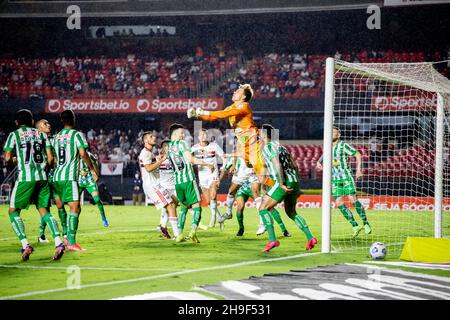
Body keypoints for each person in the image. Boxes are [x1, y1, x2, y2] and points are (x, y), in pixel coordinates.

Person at [3, 109, 65, 261]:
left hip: (25, 178)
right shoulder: (41, 135)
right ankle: (58, 243)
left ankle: (25, 245)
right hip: (42, 178)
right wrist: (44, 169)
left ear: (17, 123)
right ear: (32, 121)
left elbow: (7, 157)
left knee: (13, 211)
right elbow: (50, 158)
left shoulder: (14, 134)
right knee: (44, 211)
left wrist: (14, 163)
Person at [187, 84, 272, 190]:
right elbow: (214, 117)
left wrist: (204, 111)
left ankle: (278, 187)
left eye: (238, 91)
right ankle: (275, 184)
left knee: (262, 178)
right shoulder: (230, 107)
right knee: (253, 169)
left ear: (243, 97)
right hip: (244, 146)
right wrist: (197, 115)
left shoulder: (244, 106)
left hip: (253, 144)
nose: (234, 92)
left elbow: (225, 114)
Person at [258, 124, 317, 252]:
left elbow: (277, 165)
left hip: (282, 182)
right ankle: (310, 237)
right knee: (291, 212)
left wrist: (281, 183)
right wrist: (297, 185)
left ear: (264, 134)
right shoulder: (282, 147)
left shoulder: (268, 148)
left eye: (260, 132)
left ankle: (272, 240)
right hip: (294, 180)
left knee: (263, 208)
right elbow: (294, 165)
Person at [52, 110, 99, 251]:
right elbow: (83, 154)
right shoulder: (77, 135)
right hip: (69, 177)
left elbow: (53, 158)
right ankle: (71, 242)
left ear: (61, 120)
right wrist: (91, 168)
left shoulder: (56, 137)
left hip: (56, 177)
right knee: (75, 208)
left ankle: (65, 234)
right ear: (73, 120)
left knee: (61, 207)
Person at [316, 126, 372, 238]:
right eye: (330, 132)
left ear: (339, 135)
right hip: (334, 179)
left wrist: (359, 170)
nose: (331, 134)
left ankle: (366, 223)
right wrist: (320, 164)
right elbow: (326, 159)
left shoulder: (343, 145)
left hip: (346, 176)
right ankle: (355, 225)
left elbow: (358, 154)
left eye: (334, 132)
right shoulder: (327, 147)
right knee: (339, 203)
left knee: (352, 199)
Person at [166, 124, 214, 243]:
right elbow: (191, 159)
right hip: (188, 180)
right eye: (181, 133)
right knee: (197, 207)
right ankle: (192, 232)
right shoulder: (182, 144)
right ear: (175, 134)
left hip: (178, 182)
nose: (183, 135)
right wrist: (206, 163)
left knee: (183, 208)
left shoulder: (168, 147)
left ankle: (179, 234)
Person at [139, 131, 184, 242]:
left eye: (154, 136)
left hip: (156, 184)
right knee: (171, 205)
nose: (154, 138)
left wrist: (159, 160)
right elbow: (148, 168)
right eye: (151, 137)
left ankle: (165, 227)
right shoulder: (145, 153)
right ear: (145, 140)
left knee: (174, 202)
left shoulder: (150, 153)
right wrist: (162, 160)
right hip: (152, 186)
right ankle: (177, 235)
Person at [35, 119, 68, 243]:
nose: (48, 125)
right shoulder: (36, 141)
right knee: (45, 207)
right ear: (39, 128)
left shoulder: (54, 139)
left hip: (54, 176)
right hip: (43, 177)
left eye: (49, 123)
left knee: (60, 204)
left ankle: (65, 233)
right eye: (45, 124)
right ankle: (41, 235)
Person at [191, 129, 225, 229]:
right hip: (202, 177)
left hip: (213, 175)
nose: (203, 136)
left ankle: (213, 218)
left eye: (205, 134)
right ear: (198, 137)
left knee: (213, 194)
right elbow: (188, 159)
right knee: (209, 201)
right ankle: (219, 217)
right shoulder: (194, 148)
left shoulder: (214, 146)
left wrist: (222, 170)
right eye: (201, 135)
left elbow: (224, 158)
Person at [79, 149, 109, 227]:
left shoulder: (89, 155)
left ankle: (104, 219)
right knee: (74, 202)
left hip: (89, 181)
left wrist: (96, 173)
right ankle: (73, 220)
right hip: (79, 181)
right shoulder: (74, 155)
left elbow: (95, 164)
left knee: (97, 200)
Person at [156, 139, 176, 239]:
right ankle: (165, 228)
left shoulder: (175, 158)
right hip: (164, 187)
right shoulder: (158, 159)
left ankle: (163, 226)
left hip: (175, 187)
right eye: (164, 146)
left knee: (171, 208)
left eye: (168, 146)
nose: (166, 147)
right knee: (169, 208)